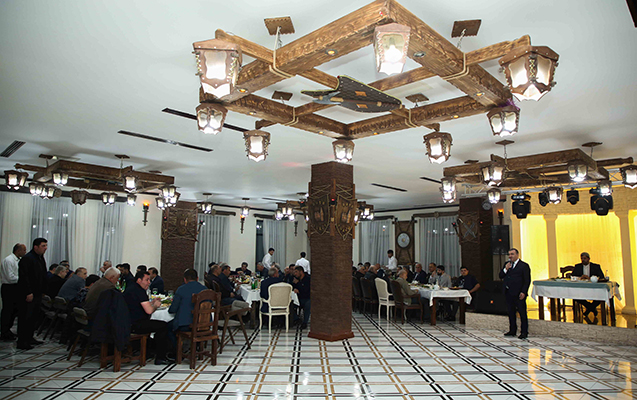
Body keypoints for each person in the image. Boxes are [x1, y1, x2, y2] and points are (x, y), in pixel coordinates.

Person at [123, 271, 172, 365]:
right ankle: (160, 357)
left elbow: (139, 304)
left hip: (127, 322)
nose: (149, 282)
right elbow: (149, 311)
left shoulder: (131, 288)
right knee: (163, 326)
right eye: (147, 280)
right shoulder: (139, 291)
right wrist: (156, 306)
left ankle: (149, 352)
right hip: (135, 324)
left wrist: (152, 303)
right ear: (139, 280)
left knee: (156, 325)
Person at [17, 238, 48, 350]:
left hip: (37, 293)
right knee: (26, 317)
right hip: (29, 294)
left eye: (46, 246)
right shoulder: (27, 259)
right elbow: (24, 277)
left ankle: (29, 337)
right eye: (43, 246)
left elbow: (42, 275)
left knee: (33, 317)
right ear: (36, 247)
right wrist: (28, 292)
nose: (45, 248)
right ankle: (22, 341)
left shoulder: (40, 258)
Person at [499, 248, 531, 339]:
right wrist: (505, 269)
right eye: (509, 254)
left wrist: (524, 291)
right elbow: (501, 276)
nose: (510, 256)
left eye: (512, 254)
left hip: (519, 293)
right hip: (508, 292)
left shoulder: (523, 266)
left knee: (522, 313)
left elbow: (527, 280)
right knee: (511, 312)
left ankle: (524, 332)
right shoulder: (507, 264)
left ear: (517, 255)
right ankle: (512, 330)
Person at [168, 269, 206, 341]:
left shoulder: (181, 290)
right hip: (203, 324)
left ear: (185, 279)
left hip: (186, 324)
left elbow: (173, 310)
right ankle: (197, 344)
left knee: (167, 327)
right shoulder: (205, 290)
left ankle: (176, 347)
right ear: (197, 278)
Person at [1, 243, 27, 341]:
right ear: (18, 250)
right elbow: (10, 277)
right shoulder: (9, 260)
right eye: (24, 250)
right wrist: (23, 279)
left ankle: (8, 330)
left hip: (15, 287)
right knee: (8, 310)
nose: (25, 252)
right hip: (9, 287)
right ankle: (4, 331)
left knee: (14, 310)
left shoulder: (18, 260)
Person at [572, 252, 605, 322]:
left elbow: (601, 277)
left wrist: (590, 278)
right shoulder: (577, 266)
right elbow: (573, 277)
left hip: (594, 289)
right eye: (582, 258)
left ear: (589, 259)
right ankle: (591, 308)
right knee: (575, 296)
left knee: (601, 295)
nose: (583, 260)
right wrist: (580, 278)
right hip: (581, 288)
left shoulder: (596, 266)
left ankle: (589, 309)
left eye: (585, 258)